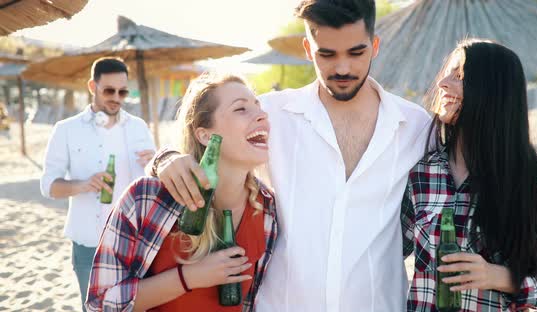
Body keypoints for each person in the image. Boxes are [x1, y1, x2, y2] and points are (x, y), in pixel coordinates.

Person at [149, 0, 431, 310]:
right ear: (308, 50)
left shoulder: (416, 126)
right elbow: (206, 140)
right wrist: (165, 158)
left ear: (374, 46)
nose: (342, 68)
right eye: (327, 54)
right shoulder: (269, 114)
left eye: (356, 52)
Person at [85, 73, 278, 312]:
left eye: (258, 106)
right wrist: (189, 277)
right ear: (206, 135)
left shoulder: (268, 209)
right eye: (241, 109)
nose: (262, 115)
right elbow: (100, 304)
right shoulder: (147, 198)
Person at [401, 39, 537, 311]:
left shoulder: (534, 179)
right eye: (446, 72)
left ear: (493, 91)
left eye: (459, 76)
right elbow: (389, 251)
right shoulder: (422, 172)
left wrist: (499, 276)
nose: (442, 83)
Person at [40, 57, 156, 311]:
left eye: (122, 91)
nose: (117, 97)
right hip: (87, 244)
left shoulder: (139, 128)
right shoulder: (66, 129)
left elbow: (154, 185)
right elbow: (48, 186)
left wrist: (155, 165)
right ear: (92, 86)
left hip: (133, 241)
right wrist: (83, 185)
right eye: (109, 90)